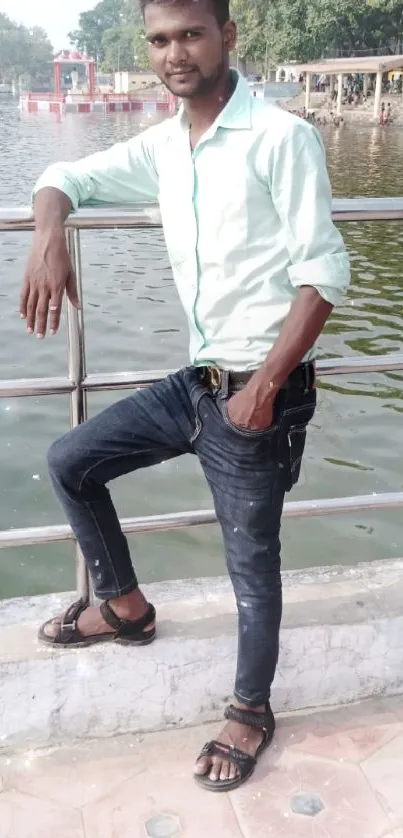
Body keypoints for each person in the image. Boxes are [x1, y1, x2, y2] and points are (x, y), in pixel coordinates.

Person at [19, 0, 350, 793]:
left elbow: (323, 277)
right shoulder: (166, 145)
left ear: (226, 37)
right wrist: (46, 234)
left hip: (257, 393)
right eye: (160, 39)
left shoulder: (281, 137)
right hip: (196, 382)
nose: (174, 53)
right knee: (70, 460)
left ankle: (250, 710)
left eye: (190, 34)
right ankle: (125, 607)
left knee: (250, 562)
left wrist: (263, 392)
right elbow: (64, 175)